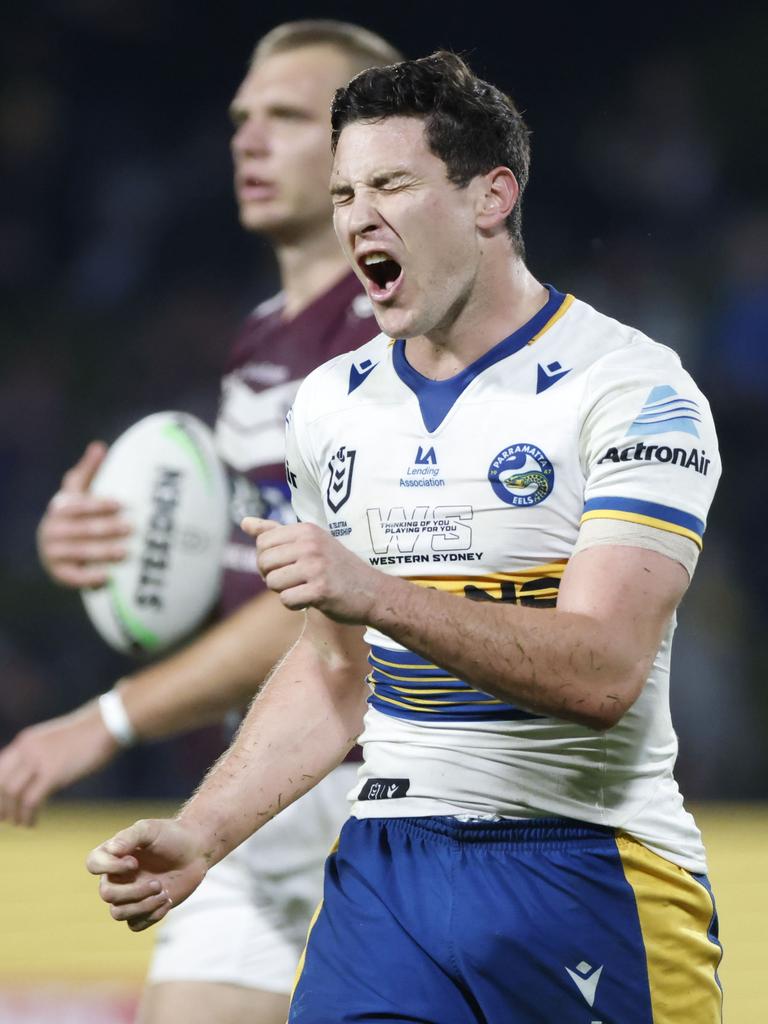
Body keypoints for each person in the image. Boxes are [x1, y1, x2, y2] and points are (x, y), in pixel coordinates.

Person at [86, 52, 724, 1023]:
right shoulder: (331, 406)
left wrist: (375, 591)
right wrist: (203, 832)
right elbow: (336, 674)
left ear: (490, 197)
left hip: (588, 867)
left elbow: (602, 672)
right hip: (387, 869)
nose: (356, 216)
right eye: (344, 191)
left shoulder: (632, 391)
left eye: (391, 183)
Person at [0, 21, 402, 1024]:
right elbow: (250, 555)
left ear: (372, 147)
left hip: (386, 796)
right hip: (258, 784)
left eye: (285, 116)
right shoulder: (264, 334)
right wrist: (112, 546)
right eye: (239, 120)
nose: (247, 140)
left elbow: (331, 600)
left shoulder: (397, 335)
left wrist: (107, 719)